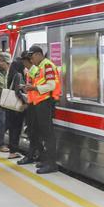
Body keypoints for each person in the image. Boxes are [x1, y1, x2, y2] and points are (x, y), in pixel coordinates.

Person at [21, 45, 60, 174]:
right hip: (37, 102)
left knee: (48, 134)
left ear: (38, 54)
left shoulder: (47, 66)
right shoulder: (39, 66)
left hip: (46, 102)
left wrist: (34, 88)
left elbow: (51, 85)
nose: (31, 60)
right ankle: (45, 160)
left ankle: (52, 164)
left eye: (32, 57)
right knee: (39, 132)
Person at [4, 52, 28, 159]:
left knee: (12, 129)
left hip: (10, 107)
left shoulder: (11, 74)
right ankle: (13, 151)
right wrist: (25, 101)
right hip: (17, 108)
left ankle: (12, 151)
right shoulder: (18, 75)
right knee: (16, 130)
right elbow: (18, 92)